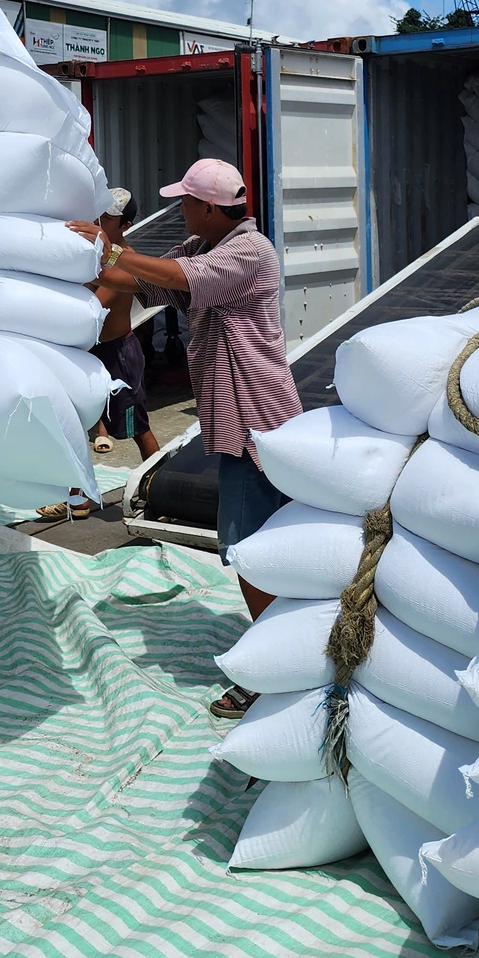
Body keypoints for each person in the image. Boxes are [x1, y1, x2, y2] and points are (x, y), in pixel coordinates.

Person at [69, 157, 300, 719]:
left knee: (249, 548)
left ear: (212, 207)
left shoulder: (248, 252)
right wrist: (81, 257)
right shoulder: (205, 248)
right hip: (231, 416)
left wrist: (112, 246)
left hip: (256, 416)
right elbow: (144, 280)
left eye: (188, 203)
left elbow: (170, 277)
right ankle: (289, 652)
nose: (182, 211)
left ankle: (271, 671)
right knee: (263, 544)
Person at [38, 188, 161, 525]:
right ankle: (77, 499)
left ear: (127, 223)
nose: (99, 222)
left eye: (108, 218)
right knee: (75, 423)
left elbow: (97, 304)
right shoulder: (89, 257)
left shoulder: (123, 258)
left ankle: (158, 485)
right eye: (98, 215)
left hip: (119, 354)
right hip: (90, 352)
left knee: (136, 424)